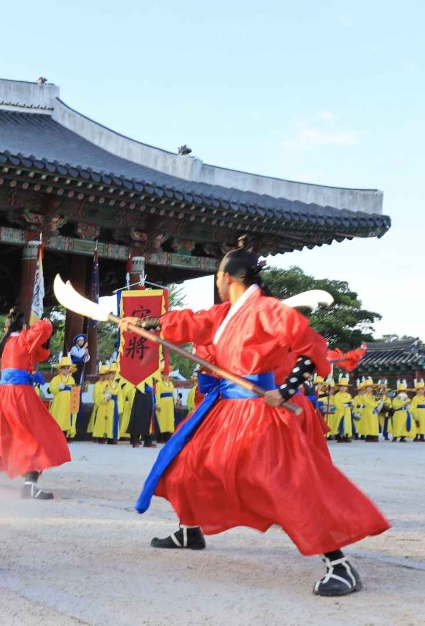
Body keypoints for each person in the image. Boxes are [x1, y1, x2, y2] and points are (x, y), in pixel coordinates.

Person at [124, 246, 389, 597]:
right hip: (226, 410)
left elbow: (313, 347)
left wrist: (286, 388)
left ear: (228, 277)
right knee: (187, 466)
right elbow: (189, 321)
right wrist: (143, 324)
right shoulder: (225, 313)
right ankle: (189, 529)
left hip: (260, 412)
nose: (217, 280)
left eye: (218, 274)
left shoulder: (266, 310)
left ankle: (339, 564)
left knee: (283, 486)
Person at [0, 307, 71, 499]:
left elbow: (40, 354)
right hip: (19, 395)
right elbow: (44, 328)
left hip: (3, 394)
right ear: (23, 327)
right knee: (36, 435)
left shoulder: (9, 344)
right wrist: (44, 320)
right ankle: (29, 486)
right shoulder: (22, 339)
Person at [88, 364, 123, 444]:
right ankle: (102, 436)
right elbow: (99, 395)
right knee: (104, 421)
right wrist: (105, 397)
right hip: (105, 404)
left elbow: (120, 397)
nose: (112, 375)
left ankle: (112, 437)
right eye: (110, 373)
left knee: (112, 421)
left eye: (114, 373)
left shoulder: (118, 385)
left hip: (114, 405)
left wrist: (119, 408)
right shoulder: (104, 384)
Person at [48, 355, 78, 440]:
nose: (66, 369)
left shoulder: (72, 379)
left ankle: (65, 436)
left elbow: (74, 390)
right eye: (64, 368)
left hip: (68, 403)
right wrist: (58, 387)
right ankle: (56, 437)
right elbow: (51, 388)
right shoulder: (56, 379)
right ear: (60, 369)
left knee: (66, 419)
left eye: (67, 368)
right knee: (58, 418)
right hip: (59, 403)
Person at [328, 377, 355, 443]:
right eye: (341, 387)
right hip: (340, 413)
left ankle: (346, 436)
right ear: (339, 387)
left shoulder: (348, 395)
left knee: (347, 424)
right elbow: (337, 404)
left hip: (347, 413)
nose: (343, 388)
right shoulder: (337, 395)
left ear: (347, 388)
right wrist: (345, 405)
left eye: (345, 387)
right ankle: (340, 436)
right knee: (340, 424)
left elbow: (352, 402)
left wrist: (351, 403)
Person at [156, 374, 177, 442]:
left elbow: (173, 393)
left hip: (170, 405)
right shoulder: (159, 384)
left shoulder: (171, 384)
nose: (166, 376)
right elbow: (158, 394)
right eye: (165, 375)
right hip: (162, 404)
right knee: (162, 420)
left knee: (169, 420)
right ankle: (160, 438)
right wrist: (157, 404)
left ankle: (167, 437)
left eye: (167, 375)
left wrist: (175, 402)